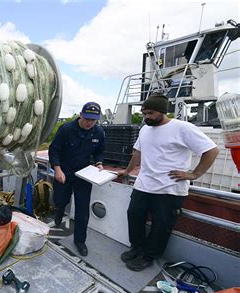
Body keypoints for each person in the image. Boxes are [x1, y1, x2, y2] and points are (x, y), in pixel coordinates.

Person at [117, 94, 219, 271]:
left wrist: (194, 174)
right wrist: (127, 171)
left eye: (150, 113)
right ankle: (137, 248)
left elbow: (211, 150)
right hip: (143, 185)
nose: (146, 116)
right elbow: (137, 153)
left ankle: (148, 256)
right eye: (144, 113)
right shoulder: (145, 129)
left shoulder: (183, 128)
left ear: (162, 112)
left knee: (161, 226)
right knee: (134, 216)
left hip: (169, 189)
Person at [49, 102, 105, 256]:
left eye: (93, 120)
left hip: (84, 175)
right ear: (80, 114)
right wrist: (57, 169)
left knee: (82, 210)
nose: (89, 123)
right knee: (61, 200)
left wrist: (99, 162)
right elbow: (54, 150)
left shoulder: (99, 132)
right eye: (87, 119)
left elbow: (100, 151)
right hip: (64, 173)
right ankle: (59, 211)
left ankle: (80, 241)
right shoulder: (66, 129)